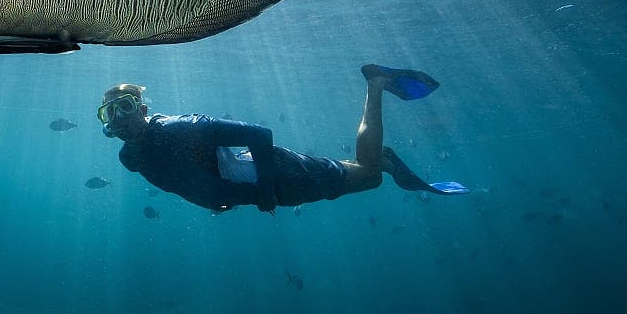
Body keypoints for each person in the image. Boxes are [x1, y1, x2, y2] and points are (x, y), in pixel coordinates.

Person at [98, 64, 468, 214]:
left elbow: (260, 135)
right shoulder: (130, 159)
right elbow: (183, 178)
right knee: (364, 174)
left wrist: (262, 193)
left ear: (143, 108)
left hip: (279, 176)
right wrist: (218, 200)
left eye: (126, 106)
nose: (121, 118)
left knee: (369, 176)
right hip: (268, 185)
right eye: (111, 113)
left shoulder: (183, 128)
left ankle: (377, 84)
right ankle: (381, 159)